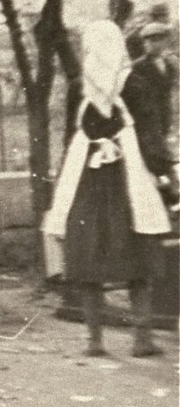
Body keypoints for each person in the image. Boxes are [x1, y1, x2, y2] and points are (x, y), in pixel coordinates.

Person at [43, 20, 177, 357]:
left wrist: (63, 179)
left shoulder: (78, 86)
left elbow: (70, 135)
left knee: (89, 258)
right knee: (139, 254)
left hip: (86, 176)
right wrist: (166, 172)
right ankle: (141, 339)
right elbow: (149, 133)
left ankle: (95, 341)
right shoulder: (133, 83)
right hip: (127, 176)